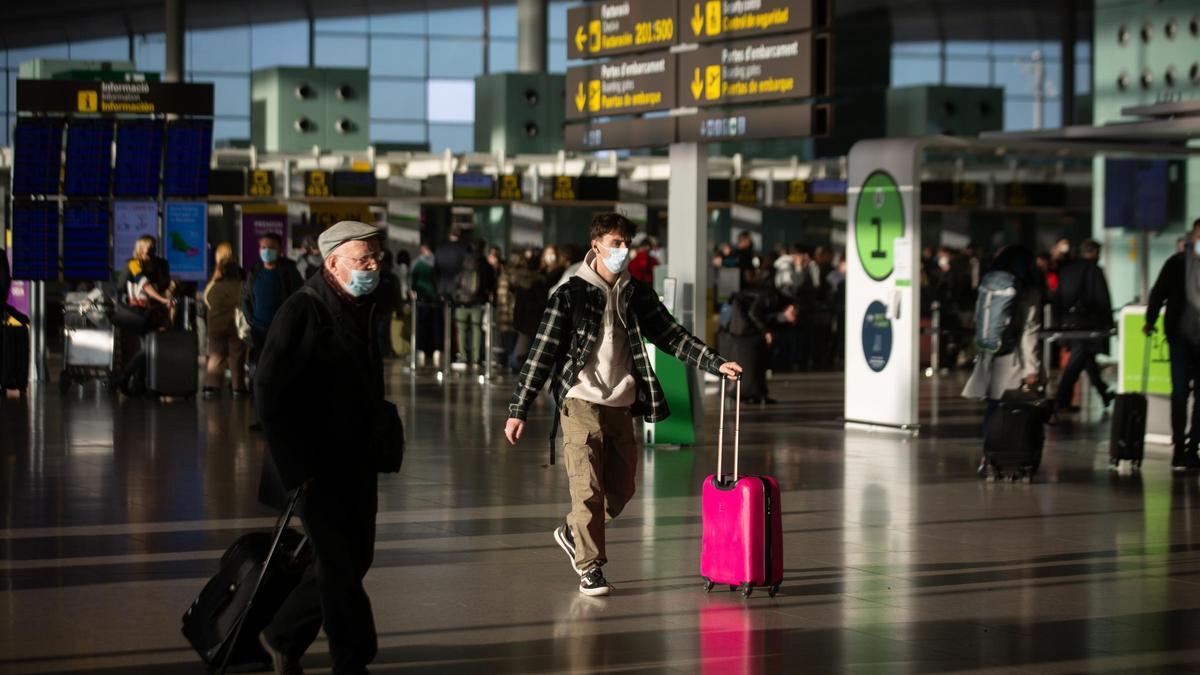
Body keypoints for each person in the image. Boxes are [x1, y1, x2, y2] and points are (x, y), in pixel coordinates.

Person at [503, 213, 743, 597]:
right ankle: (590, 567)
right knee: (588, 489)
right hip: (580, 399)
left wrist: (715, 362)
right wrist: (519, 408)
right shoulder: (570, 294)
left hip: (621, 401)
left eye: (627, 243)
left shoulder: (637, 294)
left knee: (623, 488)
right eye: (616, 243)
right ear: (596, 245)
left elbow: (671, 336)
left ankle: (572, 532)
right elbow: (541, 353)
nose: (623, 250)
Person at [256, 221, 389, 675]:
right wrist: (296, 471)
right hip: (315, 467)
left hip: (357, 459)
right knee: (336, 566)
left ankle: (281, 635)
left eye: (376, 258)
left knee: (356, 558)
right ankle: (352, 660)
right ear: (332, 262)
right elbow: (269, 394)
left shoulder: (362, 306)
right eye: (362, 259)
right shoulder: (303, 310)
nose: (372, 266)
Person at [962, 245, 1043, 469]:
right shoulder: (1028, 290)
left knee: (992, 408)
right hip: (1013, 358)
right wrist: (1032, 370)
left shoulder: (988, 284)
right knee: (1015, 410)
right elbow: (1029, 332)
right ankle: (1013, 457)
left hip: (989, 354)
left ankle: (987, 456)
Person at [1144, 218, 1200, 471]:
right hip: (1179, 337)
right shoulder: (1176, 264)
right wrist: (1150, 320)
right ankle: (1179, 446)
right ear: (1192, 238)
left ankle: (1193, 447)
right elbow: (1158, 293)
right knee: (1179, 393)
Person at [1053, 238, 1115, 411]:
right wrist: (1108, 324)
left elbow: (1057, 296)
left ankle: (1104, 393)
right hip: (1087, 324)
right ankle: (1061, 400)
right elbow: (1102, 298)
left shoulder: (1067, 269)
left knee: (1087, 360)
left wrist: (1059, 322)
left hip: (1068, 322)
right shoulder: (1094, 270)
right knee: (1076, 362)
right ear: (1094, 253)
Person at [113, 236, 174, 395]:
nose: (149, 249)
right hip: (138, 313)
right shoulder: (133, 264)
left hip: (153, 312)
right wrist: (162, 299)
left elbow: (164, 284)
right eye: (146, 246)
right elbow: (143, 284)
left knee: (149, 347)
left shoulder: (159, 265)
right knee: (149, 348)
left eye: (152, 246)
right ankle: (126, 377)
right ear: (139, 247)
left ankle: (138, 383)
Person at [242, 233, 303, 387]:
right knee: (262, 363)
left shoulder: (288, 270)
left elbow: (298, 297)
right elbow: (246, 298)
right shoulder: (255, 271)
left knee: (280, 364)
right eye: (263, 247)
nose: (267, 251)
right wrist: (251, 320)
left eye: (271, 247)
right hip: (258, 329)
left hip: (281, 328)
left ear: (279, 250)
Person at [202, 243, 245, 398]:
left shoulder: (213, 286)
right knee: (236, 356)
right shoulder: (241, 285)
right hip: (235, 324)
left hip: (215, 324)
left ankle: (211, 387)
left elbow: (206, 300)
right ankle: (238, 388)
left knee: (215, 355)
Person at [451, 239, 496, 368]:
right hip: (478, 301)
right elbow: (490, 282)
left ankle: (463, 357)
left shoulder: (462, 262)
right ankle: (476, 358)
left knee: (462, 329)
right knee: (477, 329)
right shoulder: (484, 264)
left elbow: (456, 281)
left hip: (462, 301)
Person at [410, 245, 442, 368]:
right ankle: (436, 349)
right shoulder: (435, 263)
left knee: (421, 325)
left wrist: (413, 291)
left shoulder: (418, 264)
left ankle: (421, 349)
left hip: (422, 298)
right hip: (434, 298)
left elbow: (413, 281)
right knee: (435, 325)